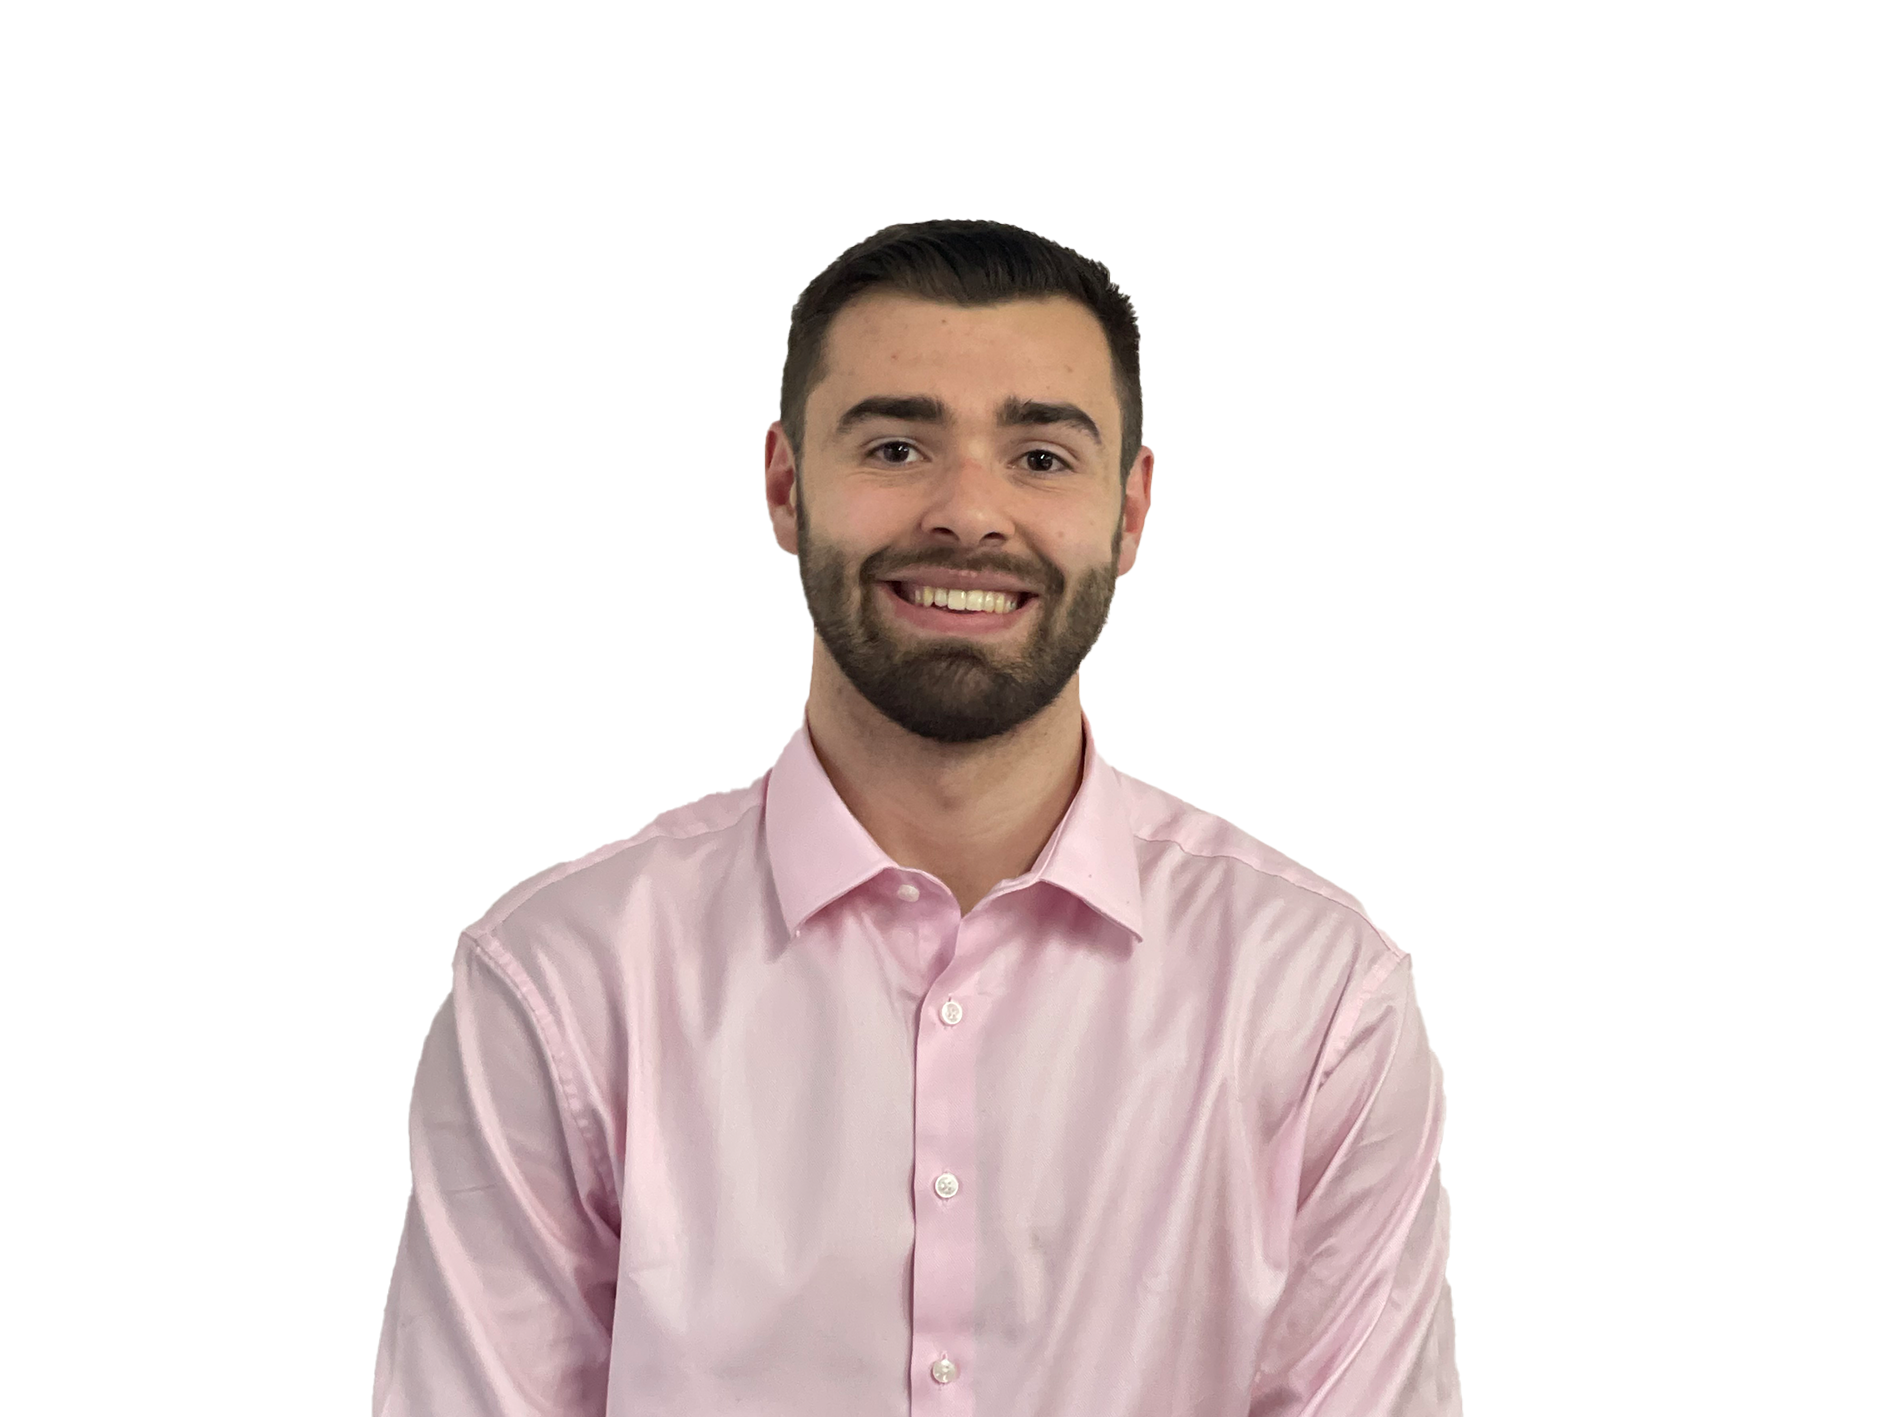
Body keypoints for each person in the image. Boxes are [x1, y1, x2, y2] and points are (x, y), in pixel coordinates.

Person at [373, 219, 1460, 1416]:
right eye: (896, 446)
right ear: (788, 486)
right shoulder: (564, 986)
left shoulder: (1316, 1001)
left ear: (1129, 511)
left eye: (1041, 457)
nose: (968, 514)